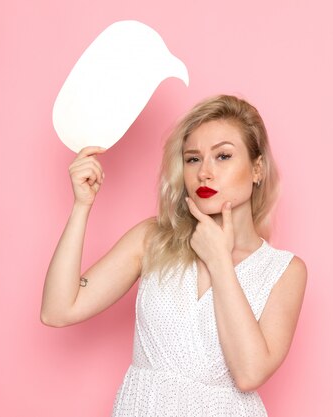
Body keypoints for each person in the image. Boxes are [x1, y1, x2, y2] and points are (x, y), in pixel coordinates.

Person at [41, 94, 308, 416]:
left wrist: (219, 262)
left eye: (223, 156)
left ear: (257, 168)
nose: (205, 173)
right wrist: (82, 206)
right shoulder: (152, 239)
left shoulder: (283, 270)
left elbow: (250, 373)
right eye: (193, 159)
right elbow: (57, 311)